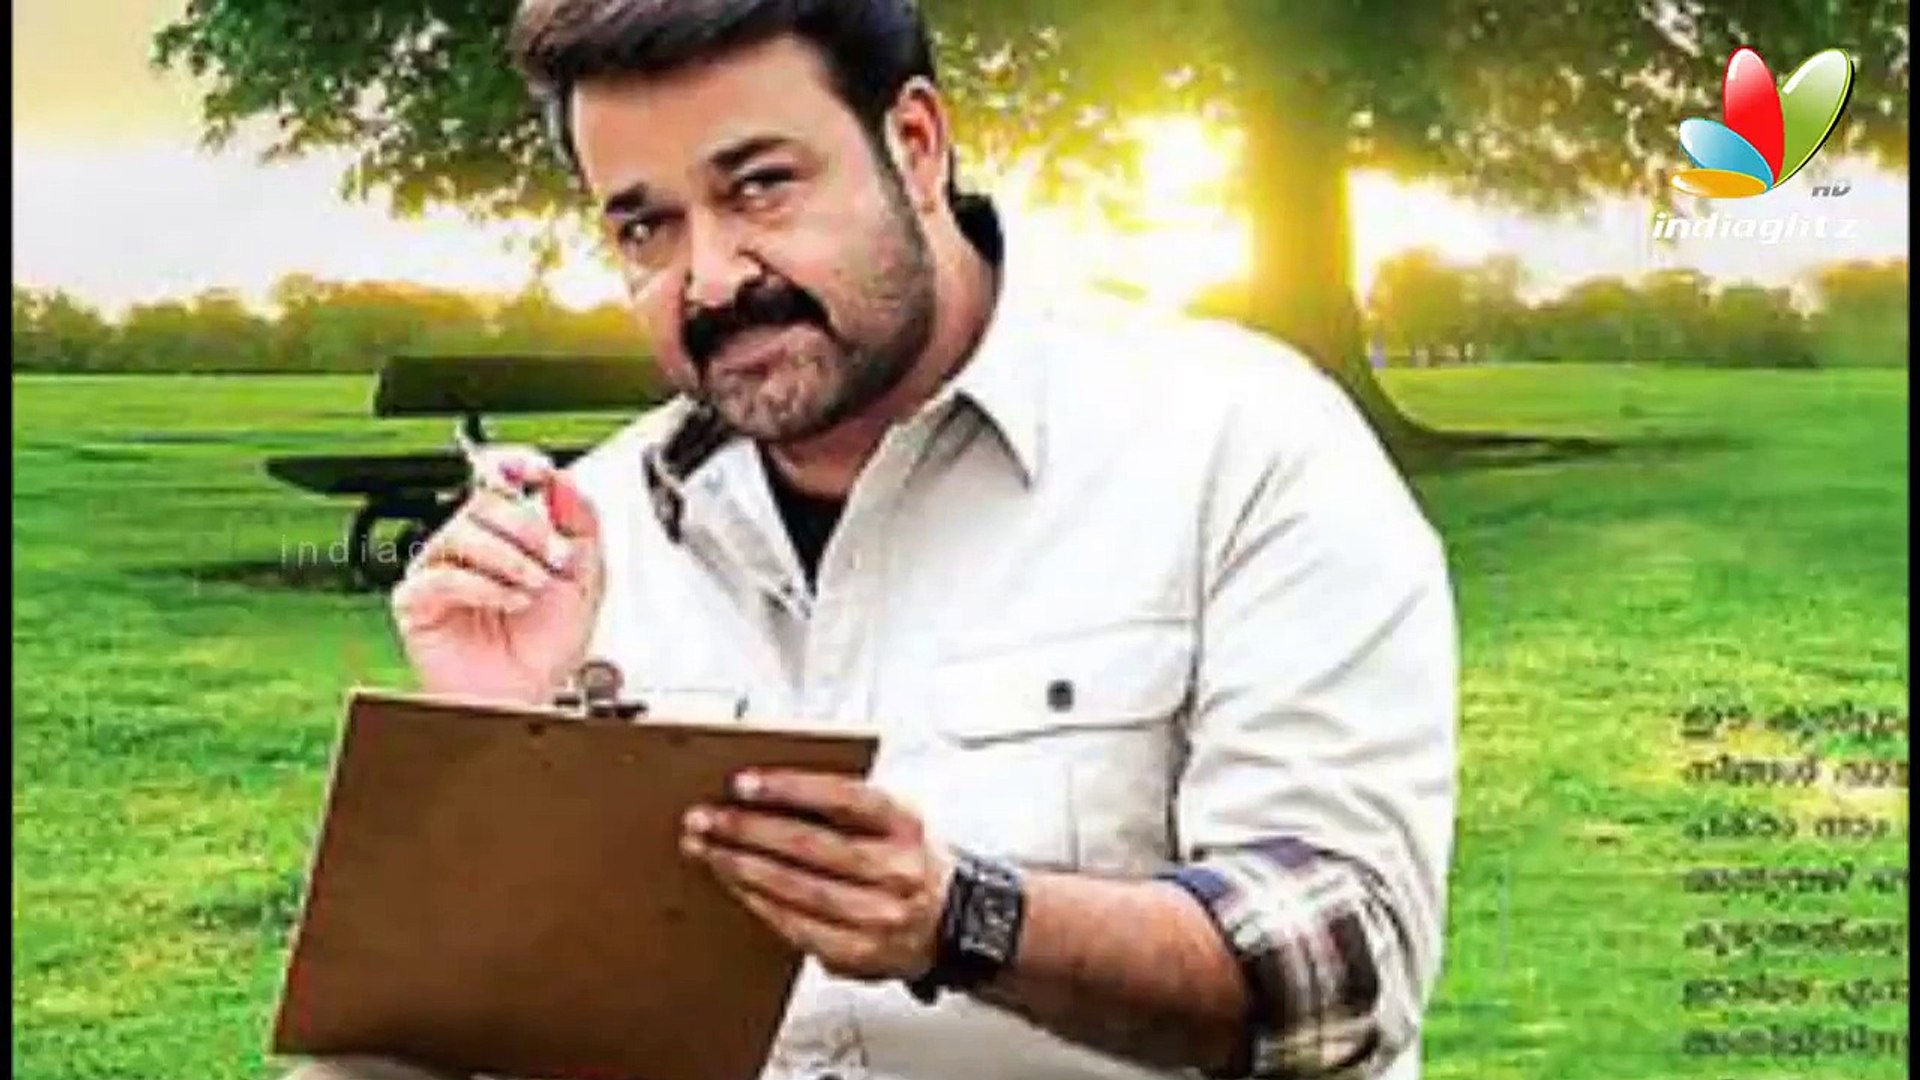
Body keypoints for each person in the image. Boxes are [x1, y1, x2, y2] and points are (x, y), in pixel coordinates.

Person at [300, 1, 1459, 1078]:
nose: (711, 279)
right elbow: (433, 1045)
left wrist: (964, 920)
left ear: (915, 143)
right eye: (646, 225)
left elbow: (1342, 972)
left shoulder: (1238, 442)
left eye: (761, 187)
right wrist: (497, 752)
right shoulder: (586, 542)